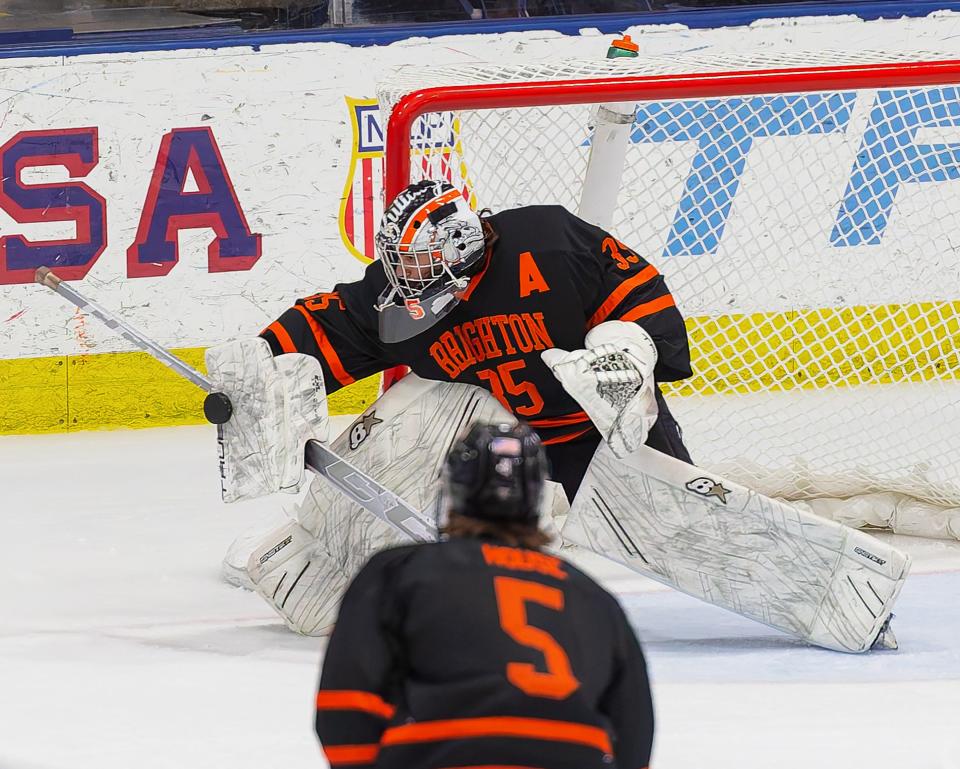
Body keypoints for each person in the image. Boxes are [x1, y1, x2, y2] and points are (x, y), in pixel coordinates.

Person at [205, 178, 692, 634]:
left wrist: (625, 352)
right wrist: (264, 365)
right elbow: (336, 324)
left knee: (675, 533)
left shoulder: (547, 243)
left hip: (597, 431)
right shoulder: (401, 299)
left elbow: (637, 290)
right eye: (398, 261)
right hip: (499, 448)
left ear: (458, 246)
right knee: (424, 408)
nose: (402, 276)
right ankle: (326, 540)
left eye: (415, 261)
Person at [314, 421, 655, 769]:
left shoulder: (400, 572)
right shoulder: (591, 595)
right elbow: (634, 730)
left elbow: (346, 701)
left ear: (454, 490)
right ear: (536, 497)